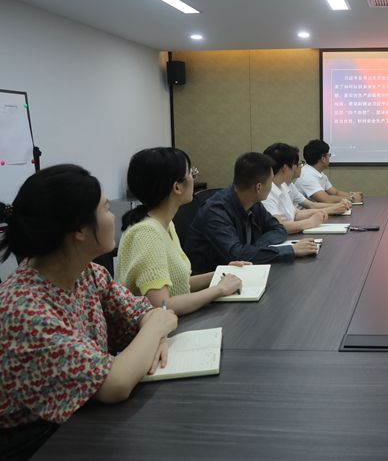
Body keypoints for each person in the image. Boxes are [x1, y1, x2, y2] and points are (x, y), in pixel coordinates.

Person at [0, 165, 177, 459]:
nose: (113, 216)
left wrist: (153, 327)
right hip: (35, 444)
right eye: (106, 208)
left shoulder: (88, 274)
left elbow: (143, 312)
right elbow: (116, 383)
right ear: (79, 230)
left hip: (77, 421)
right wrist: (157, 328)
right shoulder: (24, 310)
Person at [116, 148, 245, 315]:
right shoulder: (147, 233)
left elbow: (178, 285)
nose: (194, 178)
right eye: (191, 173)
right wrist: (219, 289)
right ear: (177, 187)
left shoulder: (166, 224)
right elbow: (162, 305)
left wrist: (221, 272)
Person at [184, 152, 318, 274]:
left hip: (241, 273)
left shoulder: (253, 201)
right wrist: (290, 250)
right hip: (211, 281)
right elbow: (237, 255)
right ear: (258, 187)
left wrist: (253, 249)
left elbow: (278, 229)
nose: (272, 186)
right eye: (271, 181)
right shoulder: (216, 211)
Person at [262, 143, 348, 234]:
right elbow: (278, 227)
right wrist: (311, 222)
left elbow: (295, 214)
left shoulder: (282, 185)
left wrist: (323, 212)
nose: (299, 167)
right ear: (285, 168)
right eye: (297, 164)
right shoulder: (266, 192)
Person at [294, 139, 363, 204]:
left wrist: (352, 195)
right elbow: (326, 199)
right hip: (302, 212)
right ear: (323, 159)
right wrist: (352, 198)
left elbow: (335, 192)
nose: (329, 158)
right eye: (328, 155)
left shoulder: (319, 173)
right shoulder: (306, 176)